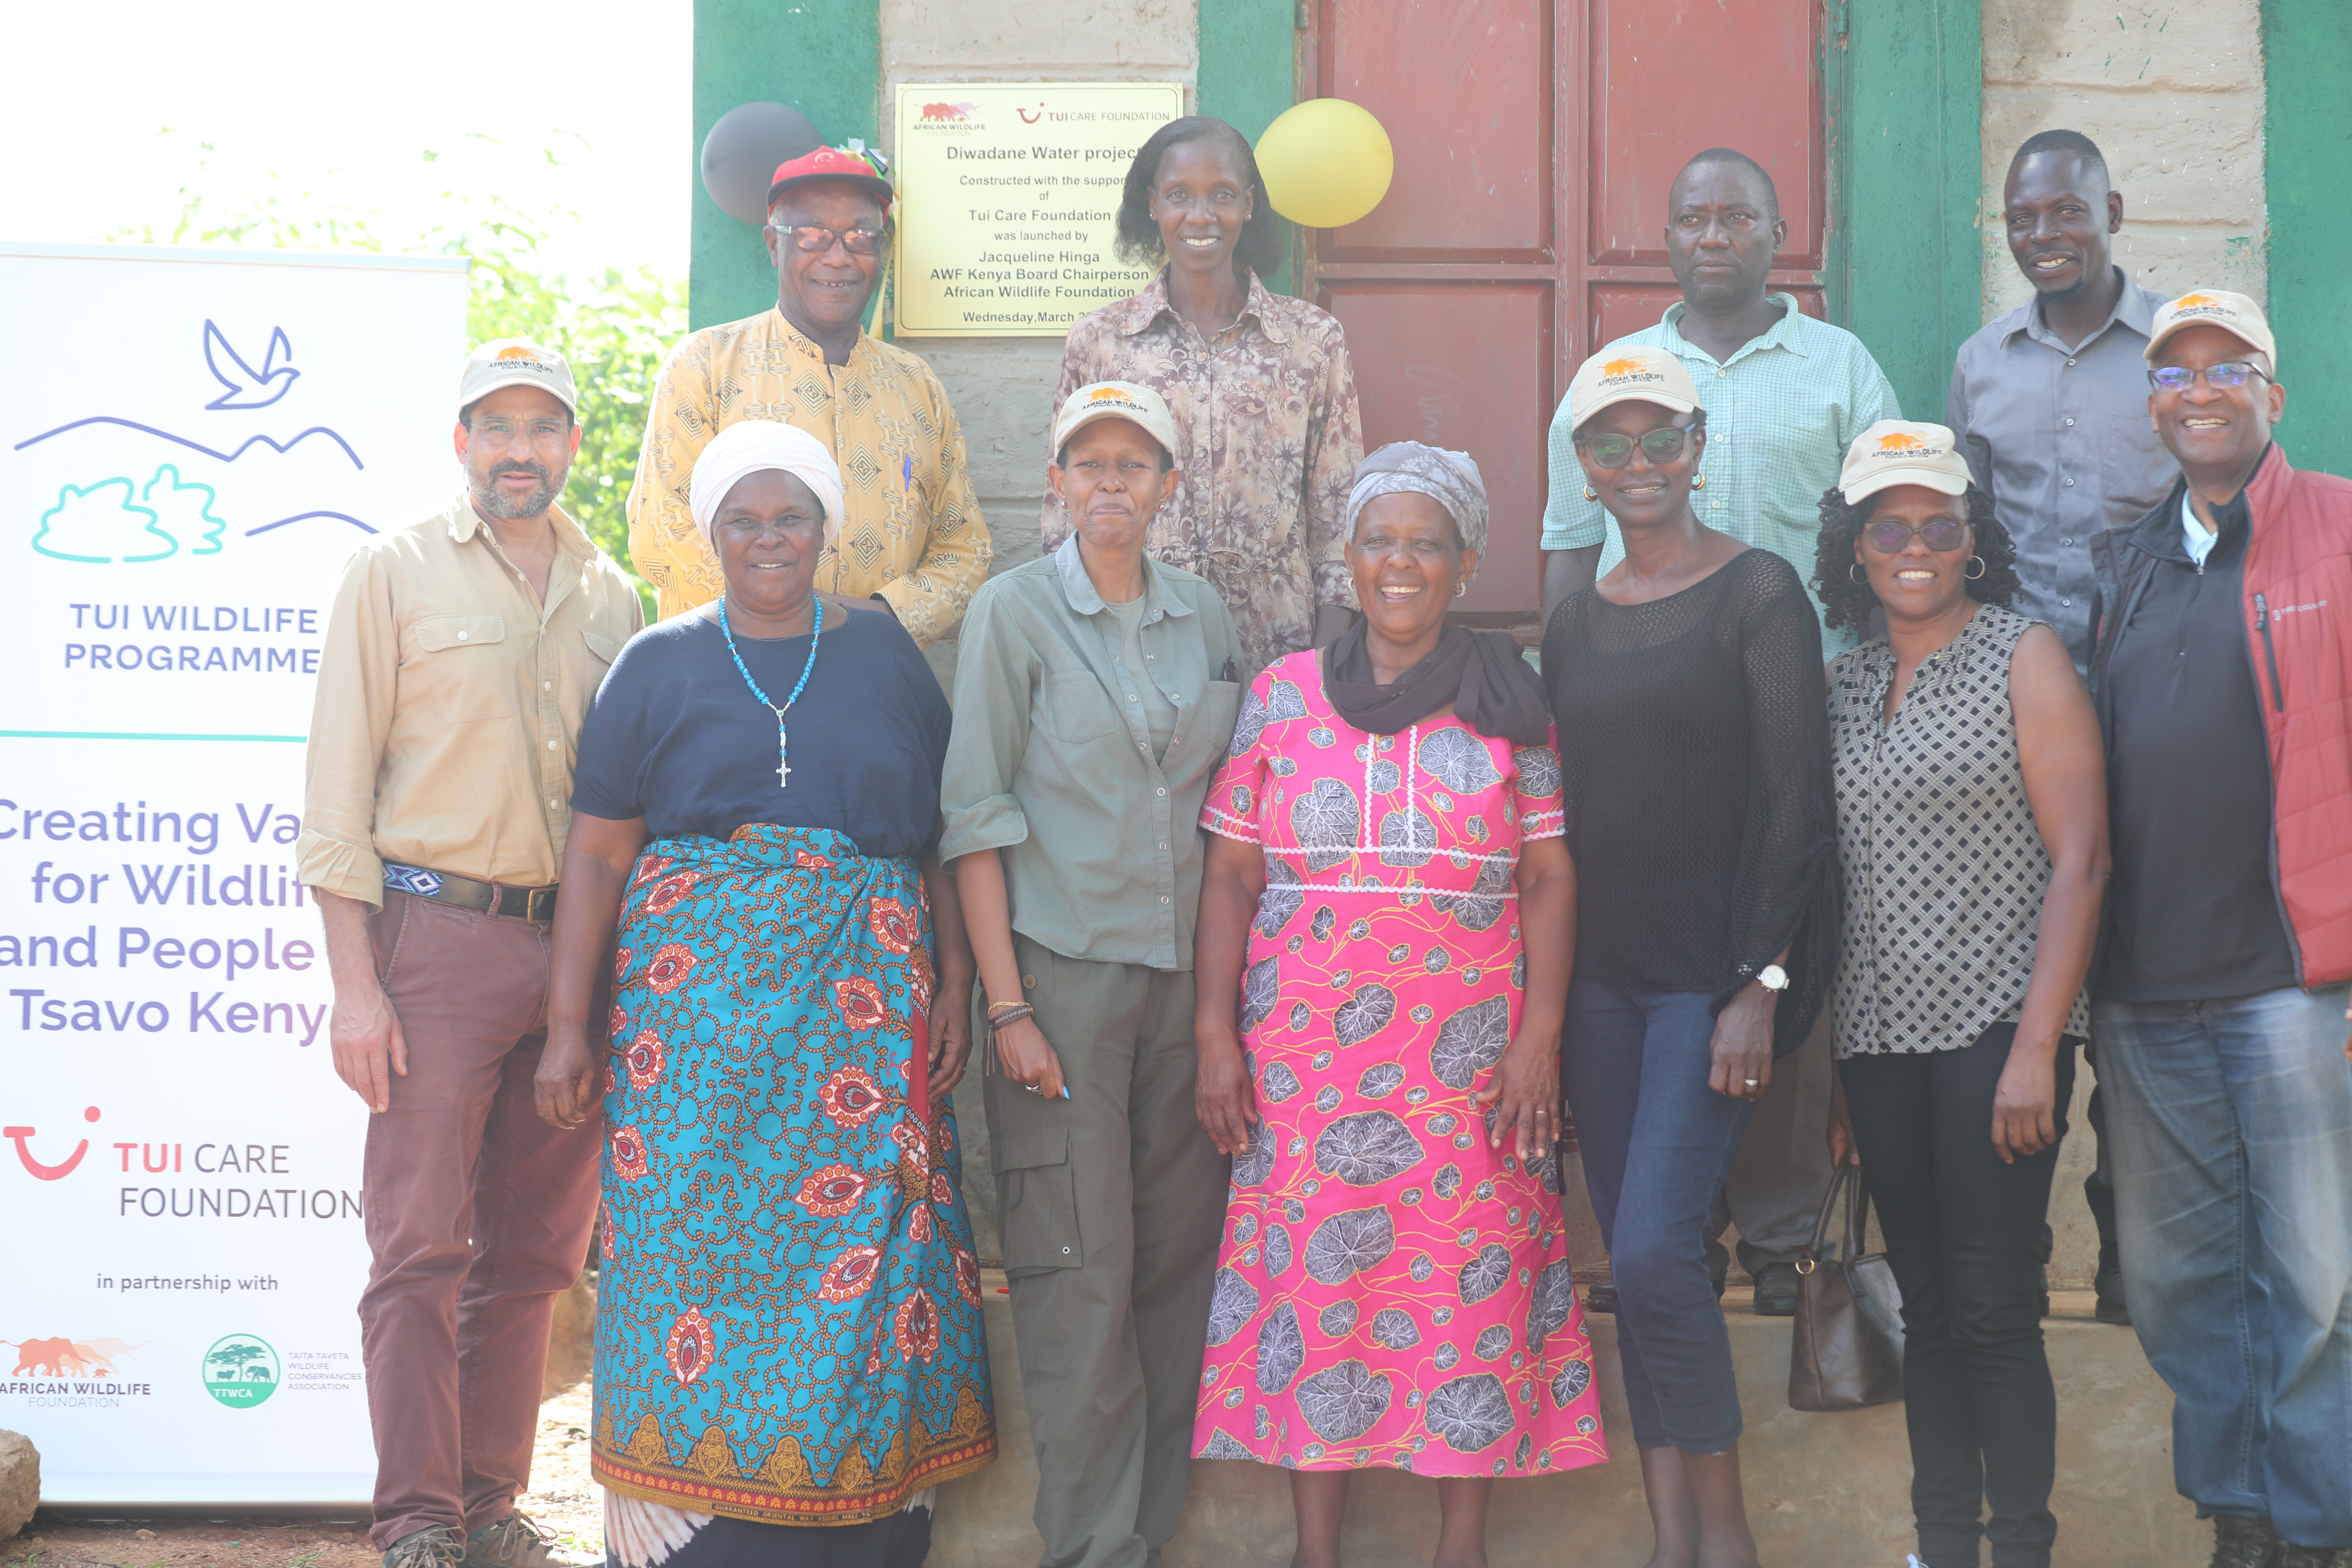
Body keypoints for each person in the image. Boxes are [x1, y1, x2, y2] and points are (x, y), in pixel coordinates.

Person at [538, 419, 995, 1567]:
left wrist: (958, 986)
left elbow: (943, 841)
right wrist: (565, 1026)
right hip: (689, 1040)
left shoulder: (887, 657)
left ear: (826, 527)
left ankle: (859, 1520)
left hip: (862, 1017)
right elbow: (595, 857)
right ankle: (687, 1526)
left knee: (867, 1244)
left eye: (791, 516)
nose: (768, 538)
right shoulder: (657, 661)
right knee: (682, 1242)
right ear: (712, 535)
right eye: (743, 519)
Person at [1192, 442, 1606, 1568]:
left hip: (1471, 1068)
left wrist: (1540, 1040)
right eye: (1380, 539)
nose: (1401, 563)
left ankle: (1457, 1551)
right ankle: (1315, 1552)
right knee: (1313, 1290)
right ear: (1349, 556)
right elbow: (1232, 875)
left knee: (1468, 1294)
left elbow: (1551, 876)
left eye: (1427, 543)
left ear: (1465, 561)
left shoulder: (1510, 699)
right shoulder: (1281, 697)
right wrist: (1214, 1035)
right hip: (1302, 1063)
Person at [298, 340, 646, 1568]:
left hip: (570, 961)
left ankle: (491, 1503)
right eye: (493, 428)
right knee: (420, 1248)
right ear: (460, 443)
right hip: (434, 941)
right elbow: (336, 800)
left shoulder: (615, 596)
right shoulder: (391, 574)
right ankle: (418, 1521)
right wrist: (356, 989)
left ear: (571, 444)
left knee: (542, 1250)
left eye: (542, 428)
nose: (518, 450)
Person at [1539, 146, 1895, 1317]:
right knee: (1653, 970)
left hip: (1811, 713)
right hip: (1656, 721)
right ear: (1668, 236)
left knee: (1785, 961)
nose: (1714, 233)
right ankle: (1670, 1239)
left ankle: (1783, 1239)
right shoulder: (1615, 376)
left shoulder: (1842, 368)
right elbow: (1562, 558)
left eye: (1738, 215)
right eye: (1692, 216)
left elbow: (1885, 535)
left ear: (1778, 229)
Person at [1541, 346, 1836, 1568]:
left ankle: (1729, 1541)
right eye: (1612, 443)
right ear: (1584, 470)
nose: (1640, 462)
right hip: (1601, 989)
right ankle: (1675, 1542)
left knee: (1660, 1247)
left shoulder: (1760, 593)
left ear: (1701, 447)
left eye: (1661, 437)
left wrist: (1757, 985)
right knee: (1639, 1265)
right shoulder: (1570, 624)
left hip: (1710, 986)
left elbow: (1796, 806)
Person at [939, 382, 1244, 1568]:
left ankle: (1145, 1536)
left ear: (1169, 486)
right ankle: (1090, 1550)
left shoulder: (1204, 616)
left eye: (1135, 463)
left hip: (1182, 991)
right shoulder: (1012, 615)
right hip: (1060, 989)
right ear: (1054, 484)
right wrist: (1005, 1004)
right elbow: (975, 817)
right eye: (1089, 462)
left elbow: (1225, 819)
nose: (1111, 482)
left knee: (1174, 1271)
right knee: (1080, 1279)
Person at [1813, 423, 2110, 1568]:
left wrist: (2040, 1046)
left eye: (1942, 524)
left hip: (1999, 1036)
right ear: (1856, 547)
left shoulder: (2021, 654)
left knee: (1992, 1311)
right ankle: (1944, 1546)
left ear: (1975, 539)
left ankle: (2020, 1550)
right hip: (1879, 1048)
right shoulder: (1841, 687)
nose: (1918, 546)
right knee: (1926, 1309)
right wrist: (1838, 1070)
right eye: (1890, 527)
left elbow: (2081, 860)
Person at [2086, 289, 2352, 1568]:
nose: (2198, 388)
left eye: (2226, 366)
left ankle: (2312, 1531)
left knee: (2311, 1282)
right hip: (2144, 990)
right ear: (2152, 405)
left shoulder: (2342, 528)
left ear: (2272, 395)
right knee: (2184, 1281)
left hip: (2294, 982)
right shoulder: (2127, 563)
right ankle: (2238, 1514)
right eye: (2173, 372)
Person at [1948, 129, 2178, 1326]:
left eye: (2064, 214)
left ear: (2112, 209)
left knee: (2139, 972)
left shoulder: (2177, 348)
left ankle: (2134, 1252)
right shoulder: (1983, 363)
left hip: (2163, 700)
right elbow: (1968, 540)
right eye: (2023, 219)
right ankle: (2017, 1256)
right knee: (2038, 963)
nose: (2043, 236)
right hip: (2031, 709)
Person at [628, 144, 992, 643]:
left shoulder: (916, 386)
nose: (838, 256)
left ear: (881, 248)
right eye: (813, 235)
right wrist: (788, 617)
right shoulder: (705, 365)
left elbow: (964, 546)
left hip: (874, 678)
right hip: (730, 674)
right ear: (775, 246)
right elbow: (661, 533)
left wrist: (883, 620)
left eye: (861, 236)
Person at [1048, 115, 1364, 679]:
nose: (1200, 216)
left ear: (1248, 205)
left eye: (1221, 195)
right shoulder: (1099, 343)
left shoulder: (1311, 341)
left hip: (1279, 647)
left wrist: (1322, 665)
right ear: (1152, 205)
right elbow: (1063, 517)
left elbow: (1340, 513)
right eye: (1178, 196)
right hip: (1131, 643)